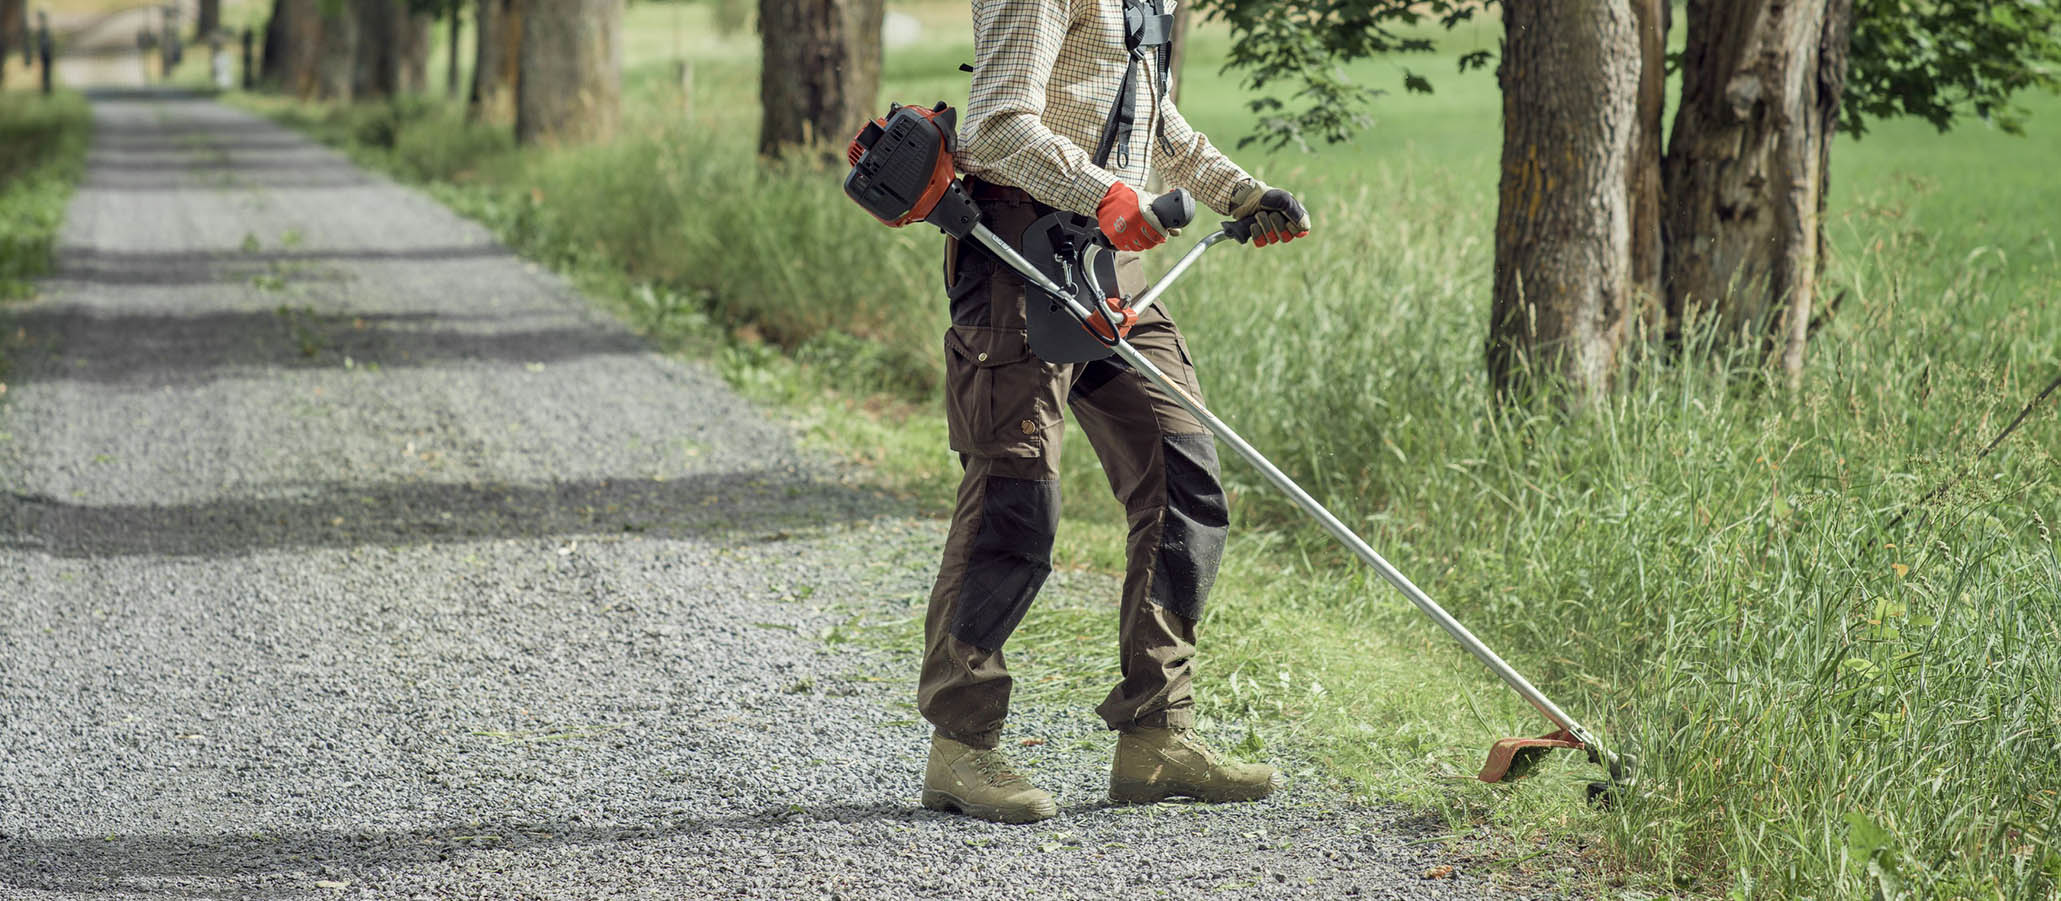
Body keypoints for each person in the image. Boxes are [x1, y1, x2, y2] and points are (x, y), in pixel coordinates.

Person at [916, 0, 1312, 824]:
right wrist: (1104, 194)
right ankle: (960, 748)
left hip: (1110, 260)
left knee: (1184, 476)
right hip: (1017, 252)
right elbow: (995, 126)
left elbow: (1153, 116)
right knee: (1016, 495)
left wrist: (1240, 193)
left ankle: (1155, 739)